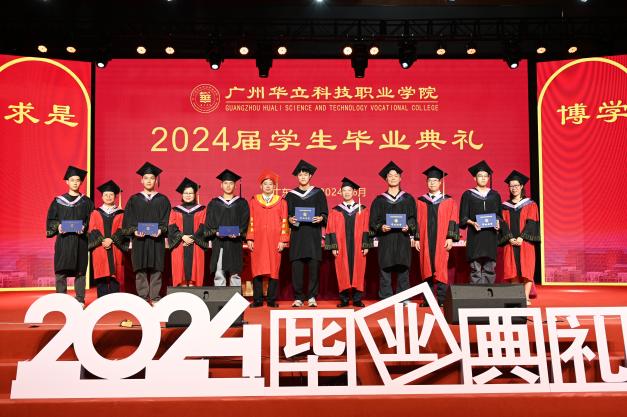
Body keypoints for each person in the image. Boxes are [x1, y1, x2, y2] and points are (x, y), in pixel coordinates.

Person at [122, 162, 171, 305]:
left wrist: (161, 230)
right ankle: (143, 298)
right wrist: (134, 231)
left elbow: (167, 220)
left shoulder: (163, 200)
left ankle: (155, 298)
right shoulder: (134, 200)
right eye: (146, 178)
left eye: (152, 178)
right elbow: (128, 221)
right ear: (141, 180)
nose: (149, 181)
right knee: (140, 269)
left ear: (156, 180)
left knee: (157, 269)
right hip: (140, 240)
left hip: (157, 240)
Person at [46, 165, 94, 307]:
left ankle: (80, 299)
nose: (75, 183)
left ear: (81, 182)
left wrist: (84, 228)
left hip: (80, 241)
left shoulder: (87, 202)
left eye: (78, 180)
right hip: (64, 241)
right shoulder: (58, 201)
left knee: (80, 271)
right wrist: (58, 227)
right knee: (61, 270)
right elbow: (51, 219)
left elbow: (92, 220)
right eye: (72, 180)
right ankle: (61, 299)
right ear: (67, 182)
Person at [369, 161, 417, 301]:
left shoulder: (408, 199)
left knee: (403, 268)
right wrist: (381, 227)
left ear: (400, 178)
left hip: (402, 238)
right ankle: (386, 298)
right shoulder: (379, 200)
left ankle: (404, 297)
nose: (393, 178)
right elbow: (373, 221)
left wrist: (409, 226)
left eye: (396, 176)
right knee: (385, 268)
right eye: (390, 176)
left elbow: (413, 218)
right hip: (386, 239)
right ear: (386, 179)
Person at [285, 160, 328, 307]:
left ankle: (312, 297)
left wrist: (321, 218)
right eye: (300, 175)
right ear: (297, 177)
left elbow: (325, 213)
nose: (302, 177)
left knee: (314, 267)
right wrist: (290, 219)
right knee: (296, 268)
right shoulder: (291, 195)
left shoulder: (318, 193)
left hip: (313, 235)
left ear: (310, 176)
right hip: (297, 236)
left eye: (305, 174)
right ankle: (298, 297)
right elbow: (286, 215)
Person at [414, 166, 460, 306]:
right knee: (425, 267)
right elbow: (417, 220)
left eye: (435, 180)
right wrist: (417, 238)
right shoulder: (421, 201)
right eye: (430, 181)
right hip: (425, 240)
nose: (432, 183)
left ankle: (441, 300)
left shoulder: (448, 201)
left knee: (441, 268)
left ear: (440, 182)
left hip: (441, 240)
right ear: (426, 182)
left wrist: (450, 237)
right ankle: (427, 300)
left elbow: (453, 219)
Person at [325, 177, 371, 308]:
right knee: (342, 269)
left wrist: (365, 245)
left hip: (358, 245)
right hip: (341, 246)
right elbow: (331, 229)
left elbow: (366, 227)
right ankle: (344, 299)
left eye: (349, 190)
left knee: (359, 270)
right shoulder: (335, 210)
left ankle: (357, 299)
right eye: (344, 190)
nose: (346, 193)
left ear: (354, 192)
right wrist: (334, 246)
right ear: (341, 192)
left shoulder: (362, 209)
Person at [247, 170, 289, 307]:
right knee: (257, 269)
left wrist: (283, 240)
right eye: (265, 184)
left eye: (271, 184)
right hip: (258, 239)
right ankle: (258, 300)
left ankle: (271, 299)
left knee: (274, 269)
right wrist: (250, 238)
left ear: (274, 186)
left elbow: (285, 222)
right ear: (261, 186)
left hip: (274, 240)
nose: (268, 186)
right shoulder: (254, 201)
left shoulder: (281, 202)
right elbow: (250, 220)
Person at [500, 170, 540, 305]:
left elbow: (531, 222)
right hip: (510, 242)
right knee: (513, 270)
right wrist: (510, 238)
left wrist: (522, 237)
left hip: (525, 242)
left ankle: (526, 297)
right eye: (511, 186)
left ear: (522, 186)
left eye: (516, 185)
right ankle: (517, 296)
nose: (514, 188)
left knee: (527, 269)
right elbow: (503, 224)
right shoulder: (505, 206)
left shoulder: (530, 204)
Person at [459, 160, 502, 284]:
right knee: (475, 268)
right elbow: (463, 217)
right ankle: (476, 293)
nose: (483, 178)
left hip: (490, 236)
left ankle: (488, 293)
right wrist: (472, 223)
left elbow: (499, 215)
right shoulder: (468, 195)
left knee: (490, 267)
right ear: (474, 178)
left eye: (485, 176)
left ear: (488, 178)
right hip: (475, 235)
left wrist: (498, 222)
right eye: (480, 176)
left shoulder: (495, 195)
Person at [205, 169, 250, 287]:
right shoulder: (214, 203)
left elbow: (245, 222)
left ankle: (235, 297)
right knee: (219, 272)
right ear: (221, 185)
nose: (228, 186)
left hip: (235, 243)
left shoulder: (242, 203)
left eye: (231, 183)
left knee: (235, 274)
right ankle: (220, 297)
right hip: (219, 243)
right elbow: (209, 223)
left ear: (235, 185)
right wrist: (216, 232)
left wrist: (239, 233)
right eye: (225, 183)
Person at [88, 180, 128, 297]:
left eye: (111, 194)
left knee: (115, 274)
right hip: (100, 247)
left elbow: (122, 229)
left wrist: (112, 239)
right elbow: (92, 229)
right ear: (102, 197)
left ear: (115, 196)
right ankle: (102, 300)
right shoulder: (95, 212)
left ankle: (114, 300)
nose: (108, 197)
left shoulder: (121, 213)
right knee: (101, 273)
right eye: (106, 194)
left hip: (115, 247)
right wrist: (103, 240)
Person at [168, 177, 208, 287]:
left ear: (195, 194)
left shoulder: (202, 210)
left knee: (195, 278)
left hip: (196, 245)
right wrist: (182, 237)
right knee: (181, 276)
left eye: (191, 193)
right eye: (186, 193)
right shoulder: (175, 210)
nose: (188, 195)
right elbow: (171, 227)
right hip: (180, 245)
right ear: (182, 195)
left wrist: (192, 238)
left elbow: (203, 226)